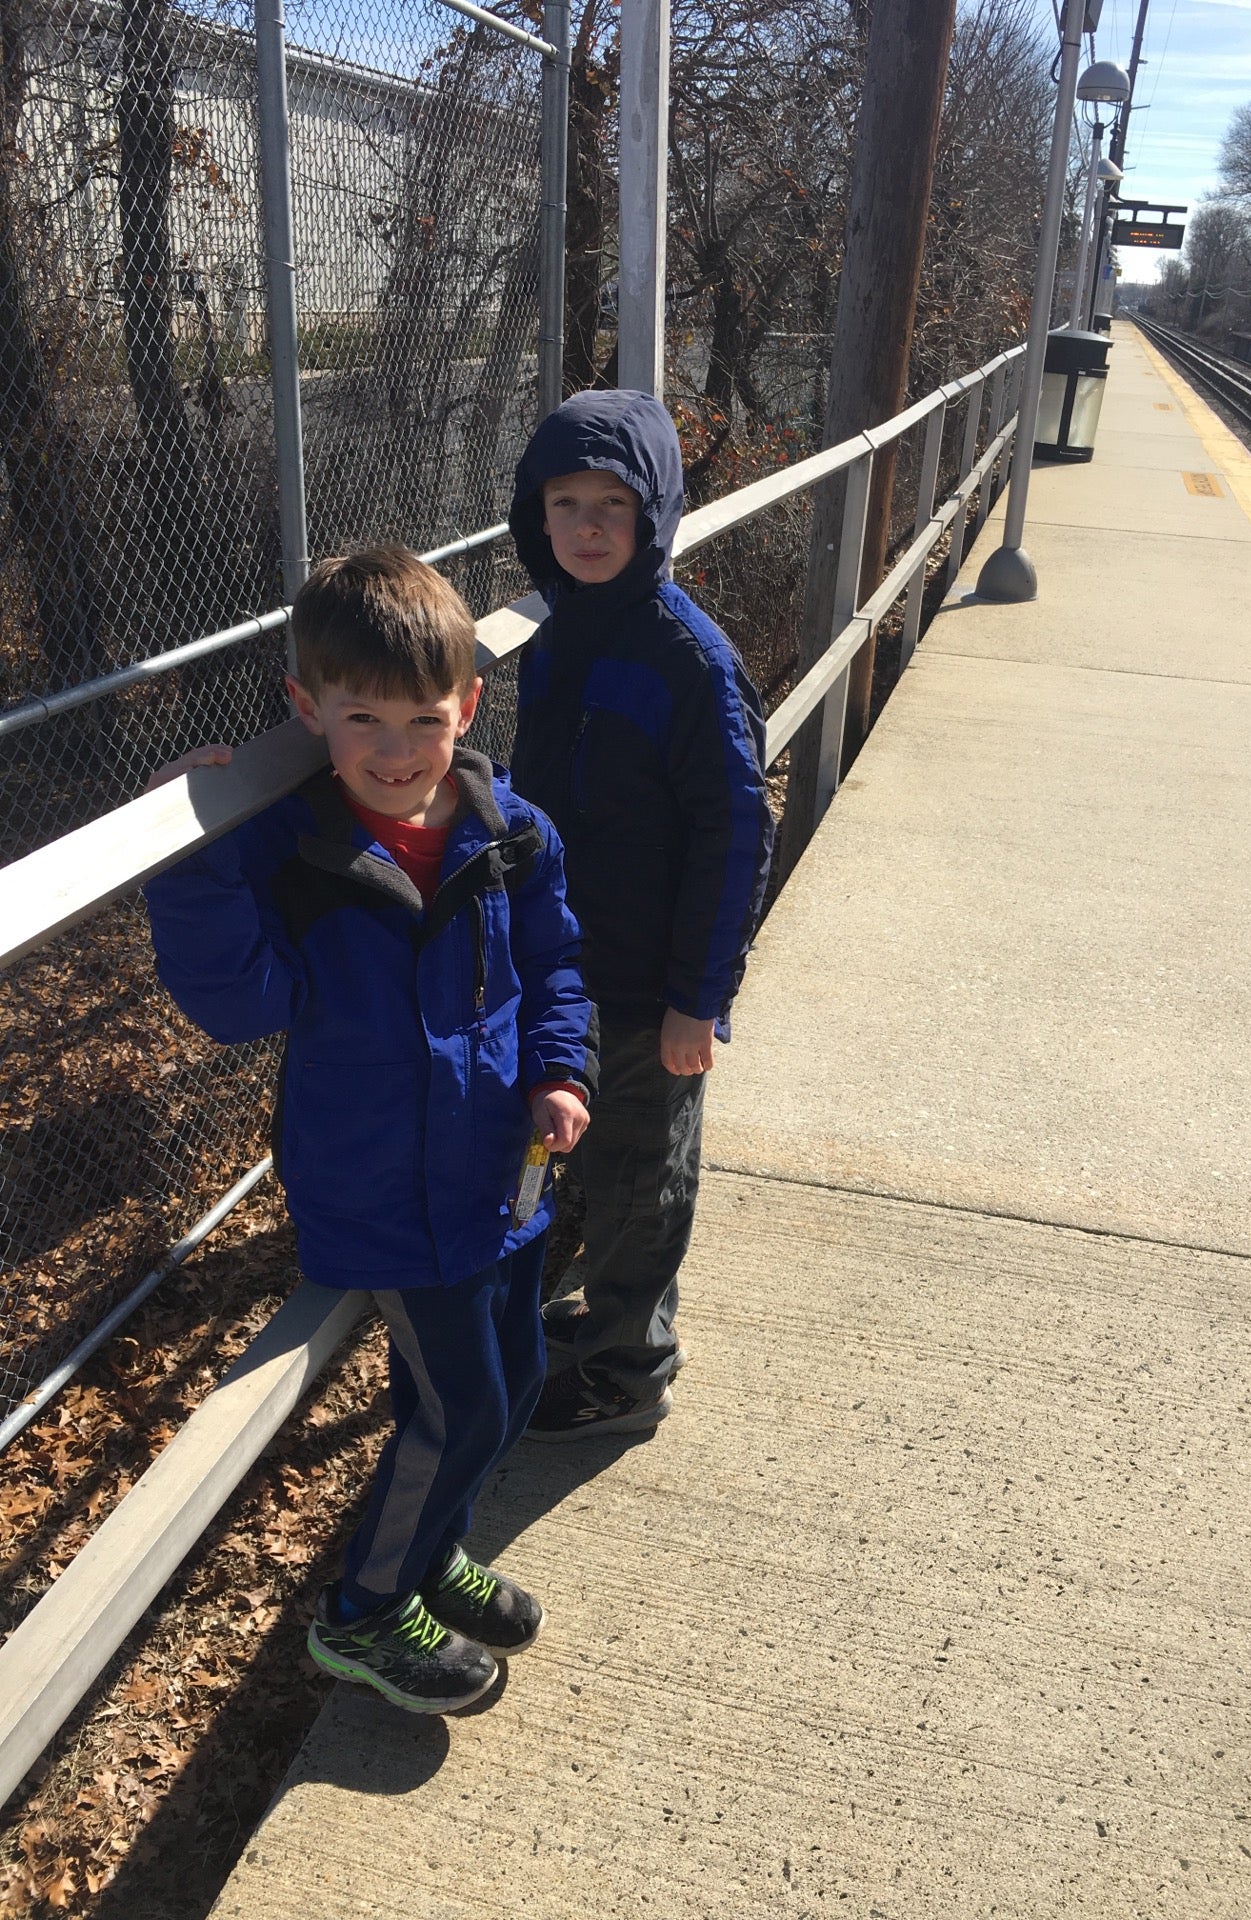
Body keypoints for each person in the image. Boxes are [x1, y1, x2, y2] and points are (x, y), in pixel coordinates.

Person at [143, 547, 595, 1713]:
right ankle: (363, 1611)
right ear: (307, 710)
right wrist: (191, 855)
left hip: (502, 1169)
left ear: (470, 706)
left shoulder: (509, 828)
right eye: (362, 721)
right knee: (465, 1405)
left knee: (512, 1373)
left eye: (423, 721)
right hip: (382, 1189)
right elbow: (237, 1006)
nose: (396, 754)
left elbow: (555, 966)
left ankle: (429, 1545)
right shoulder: (287, 848)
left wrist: (561, 1069)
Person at [507, 390, 774, 1441]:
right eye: (562, 503)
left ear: (655, 512)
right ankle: (602, 1317)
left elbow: (735, 835)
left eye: (610, 506)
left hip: (649, 984)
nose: (584, 527)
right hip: (568, 967)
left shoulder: (686, 658)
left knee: (639, 1182)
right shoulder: (560, 634)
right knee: (597, 1170)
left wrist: (695, 1003)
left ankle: (629, 1369)